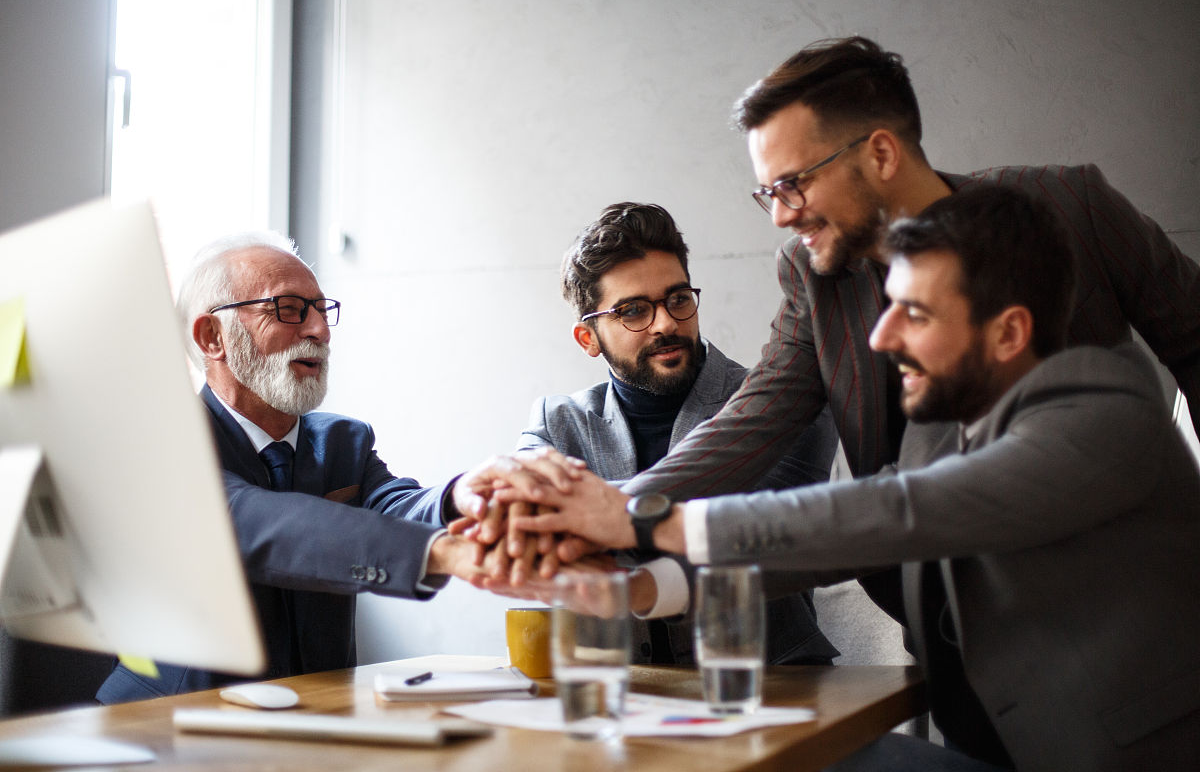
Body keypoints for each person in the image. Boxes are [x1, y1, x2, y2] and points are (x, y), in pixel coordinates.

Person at [505, 186, 1200, 770]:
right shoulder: (935, 426)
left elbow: (888, 515)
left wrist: (650, 520)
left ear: (1009, 333)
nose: (879, 336)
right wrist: (644, 587)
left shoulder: (1105, 409)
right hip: (997, 729)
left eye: (914, 313)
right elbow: (854, 544)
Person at [619, 35, 1200, 505]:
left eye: (792, 185)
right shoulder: (810, 273)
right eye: (767, 192)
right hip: (938, 623)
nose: (779, 216)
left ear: (881, 154)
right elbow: (752, 421)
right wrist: (620, 513)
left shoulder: (1073, 205)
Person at [96, 232, 491, 703]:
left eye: (322, 310)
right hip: (167, 727)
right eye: (288, 309)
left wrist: (461, 496)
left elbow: (395, 506)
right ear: (212, 337)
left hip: (319, 713)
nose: (319, 331)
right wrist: (443, 554)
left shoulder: (345, 441)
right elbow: (251, 520)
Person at [517, 201, 839, 666]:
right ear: (589, 339)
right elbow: (527, 522)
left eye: (679, 299)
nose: (666, 323)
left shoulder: (783, 399)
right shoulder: (557, 421)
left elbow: (752, 535)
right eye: (633, 310)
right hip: (620, 693)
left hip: (770, 686)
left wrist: (579, 514)